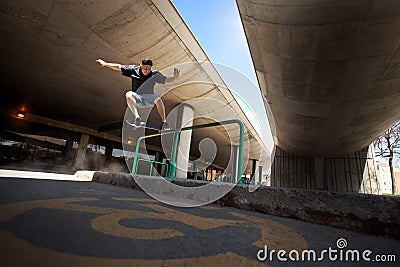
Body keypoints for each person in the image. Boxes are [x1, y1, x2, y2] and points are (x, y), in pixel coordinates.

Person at [96, 58, 180, 130]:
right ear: (141, 66)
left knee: (158, 98)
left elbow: (166, 80)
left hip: (148, 98)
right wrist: (105, 64)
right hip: (137, 98)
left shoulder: (155, 74)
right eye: (145, 68)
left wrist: (174, 78)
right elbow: (119, 66)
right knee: (128, 94)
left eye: (149, 69)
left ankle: (164, 122)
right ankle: (137, 117)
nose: (147, 71)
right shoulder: (133, 69)